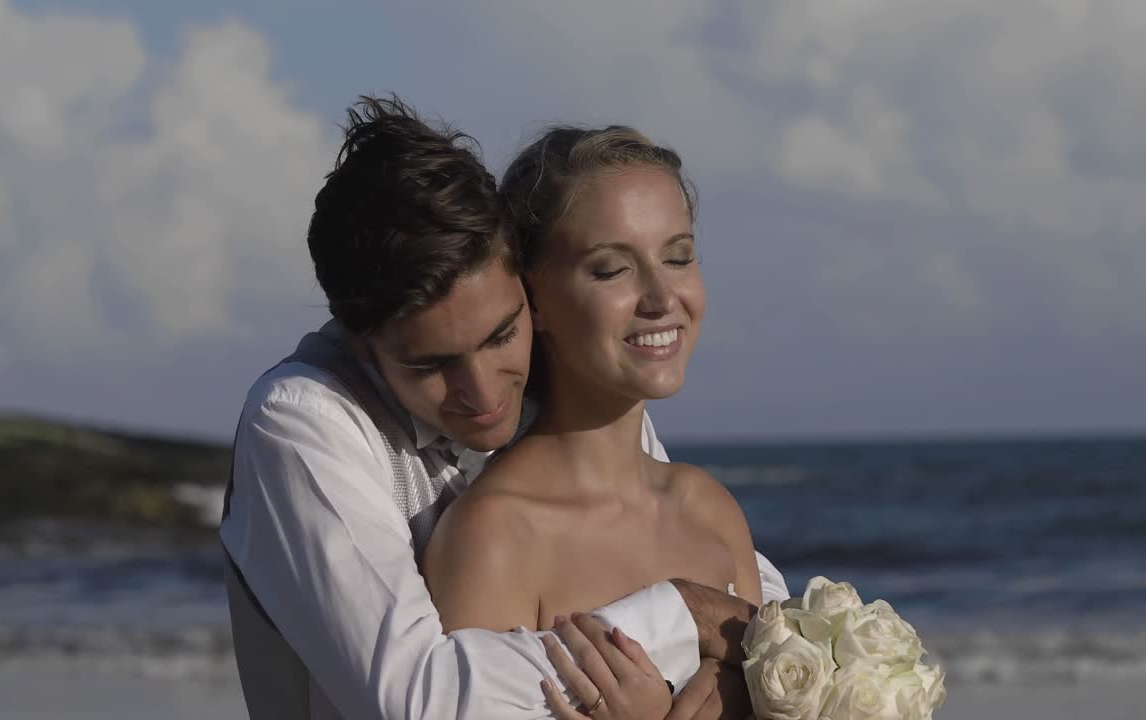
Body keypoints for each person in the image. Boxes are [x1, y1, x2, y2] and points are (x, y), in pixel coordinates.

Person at [219, 94, 789, 720]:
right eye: (431, 365)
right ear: (360, 342)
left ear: (524, 291)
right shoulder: (305, 421)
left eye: (501, 335)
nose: (486, 393)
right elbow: (417, 703)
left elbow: (744, 607)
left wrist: (750, 671)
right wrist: (680, 618)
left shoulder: (639, 447)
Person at [422, 125, 762, 719]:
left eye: (677, 256)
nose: (661, 296)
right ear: (534, 300)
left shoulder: (709, 509)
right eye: (611, 270)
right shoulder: (495, 537)